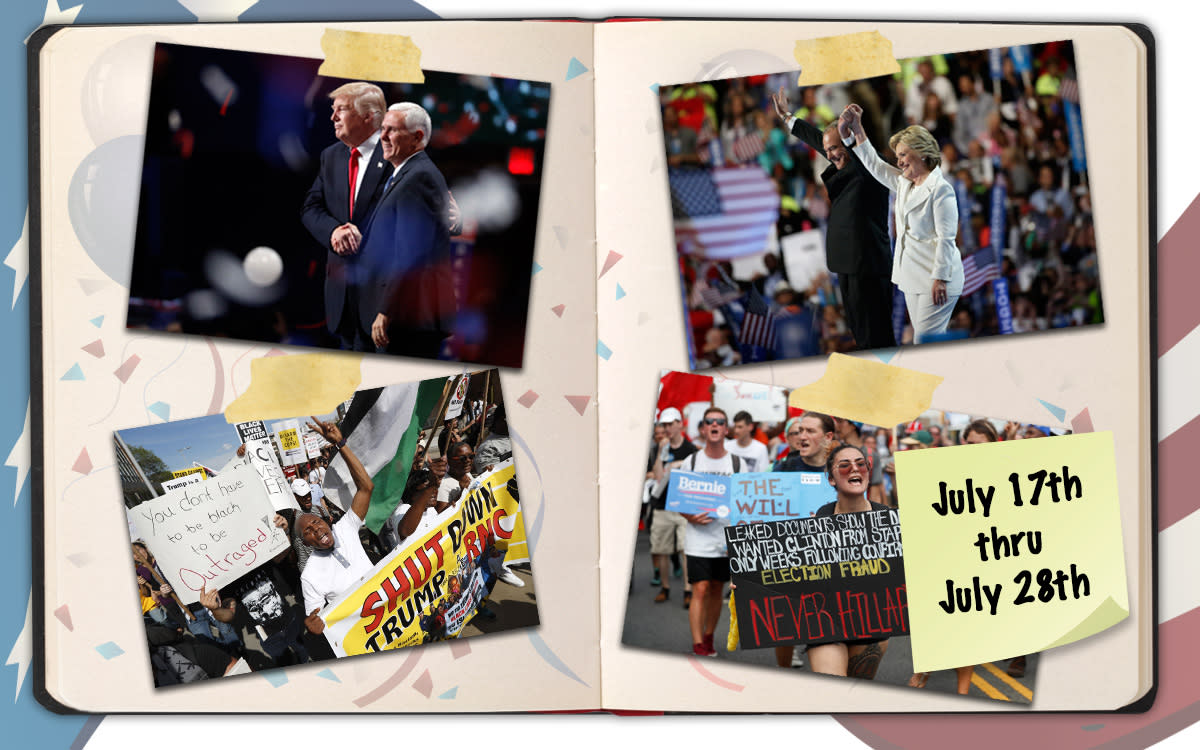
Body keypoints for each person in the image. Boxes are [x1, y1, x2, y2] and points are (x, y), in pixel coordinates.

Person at [770, 89, 895, 350]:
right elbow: (821, 140)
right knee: (861, 336)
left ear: (850, 141)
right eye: (828, 151)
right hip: (847, 264)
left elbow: (862, 155)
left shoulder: (871, 167)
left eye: (836, 148)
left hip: (868, 265)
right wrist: (788, 118)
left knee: (877, 337)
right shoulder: (844, 163)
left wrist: (851, 135)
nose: (832, 155)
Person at [841, 104, 965, 344]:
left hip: (937, 278)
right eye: (897, 156)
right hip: (912, 275)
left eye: (903, 155)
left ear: (922, 154)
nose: (898, 162)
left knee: (924, 343)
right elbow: (874, 165)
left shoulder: (941, 190)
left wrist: (939, 278)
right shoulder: (905, 183)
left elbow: (946, 238)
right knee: (925, 343)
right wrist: (857, 129)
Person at [358, 102, 454, 358]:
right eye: (383, 129)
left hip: (406, 319)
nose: (383, 136)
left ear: (417, 137)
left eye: (392, 130)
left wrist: (386, 311)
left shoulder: (419, 177)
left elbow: (409, 252)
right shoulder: (407, 174)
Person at [301, 82, 392, 351]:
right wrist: (334, 232)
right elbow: (311, 207)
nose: (333, 117)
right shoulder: (331, 156)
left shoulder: (398, 157)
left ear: (369, 116)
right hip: (341, 302)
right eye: (333, 109)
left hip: (383, 304)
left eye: (341, 109)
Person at [806, 445, 893, 678]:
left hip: (870, 623)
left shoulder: (888, 522)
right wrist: (752, 584)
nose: (855, 468)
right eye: (844, 465)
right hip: (826, 622)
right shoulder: (816, 521)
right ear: (831, 479)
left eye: (860, 463)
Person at [299, 417, 376, 635]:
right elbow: (316, 619)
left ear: (325, 520)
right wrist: (313, 626)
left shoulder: (346, 528)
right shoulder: (310, 576)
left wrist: (340, 444)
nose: (316, 530)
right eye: (308, 531)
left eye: (316, 522)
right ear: (306, 542)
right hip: (363, 633)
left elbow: (366, 488)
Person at [679, 407, 745, 657]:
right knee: (700, 588)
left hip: (725, 539)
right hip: (697, 538)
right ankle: (698, 645)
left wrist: (739, 536)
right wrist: (689, 515)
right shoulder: (692, 461)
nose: (715, 424)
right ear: (703, 429)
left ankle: (708, 636)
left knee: (717, 590)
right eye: (709, 421)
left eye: (720, 421)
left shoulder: (737, 463)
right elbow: (678, 500)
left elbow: (747, 503)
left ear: (726, 430)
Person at [648, 407, 697, 606]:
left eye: (670, 424)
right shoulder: (658, 448)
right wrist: (661, 452)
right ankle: (665, 588)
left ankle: (688, 590)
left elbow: (695, 479)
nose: (667, 428)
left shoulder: (691, 449)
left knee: (685, 550)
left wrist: (680, 464)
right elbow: (658, 477)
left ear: (679, 424)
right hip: (662, 506)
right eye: (664, 425)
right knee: (662, 549)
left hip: (683, 507)